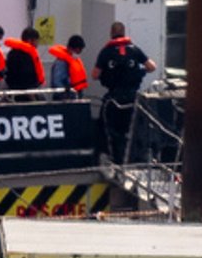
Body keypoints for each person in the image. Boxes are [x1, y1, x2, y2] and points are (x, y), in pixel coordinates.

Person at [93, 22, 156, 163]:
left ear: (111, 33)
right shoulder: (134, 50)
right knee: (135, 128)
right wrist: (139, 71)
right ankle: (137, 158)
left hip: (114, 98)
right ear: (124, 32)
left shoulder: (105, 52)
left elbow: (95, 75)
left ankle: (113, 158)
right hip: (133, 98)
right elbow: (152, 67)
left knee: (108, 128)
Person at [2, 29, 46, 94]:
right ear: (30, 40)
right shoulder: (29, 56)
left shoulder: (11, 53)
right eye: (37, 41)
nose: (37, 44)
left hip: (12, 90)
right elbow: (28, 74)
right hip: (27, 91)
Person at [47, 35, 89, 101]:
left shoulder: (74, 61)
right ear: (71, 48)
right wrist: (67, 95)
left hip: (74, 98)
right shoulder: (61, 63)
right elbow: (57, 82)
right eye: (78, 51)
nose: (79, 53)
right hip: (63, 100)